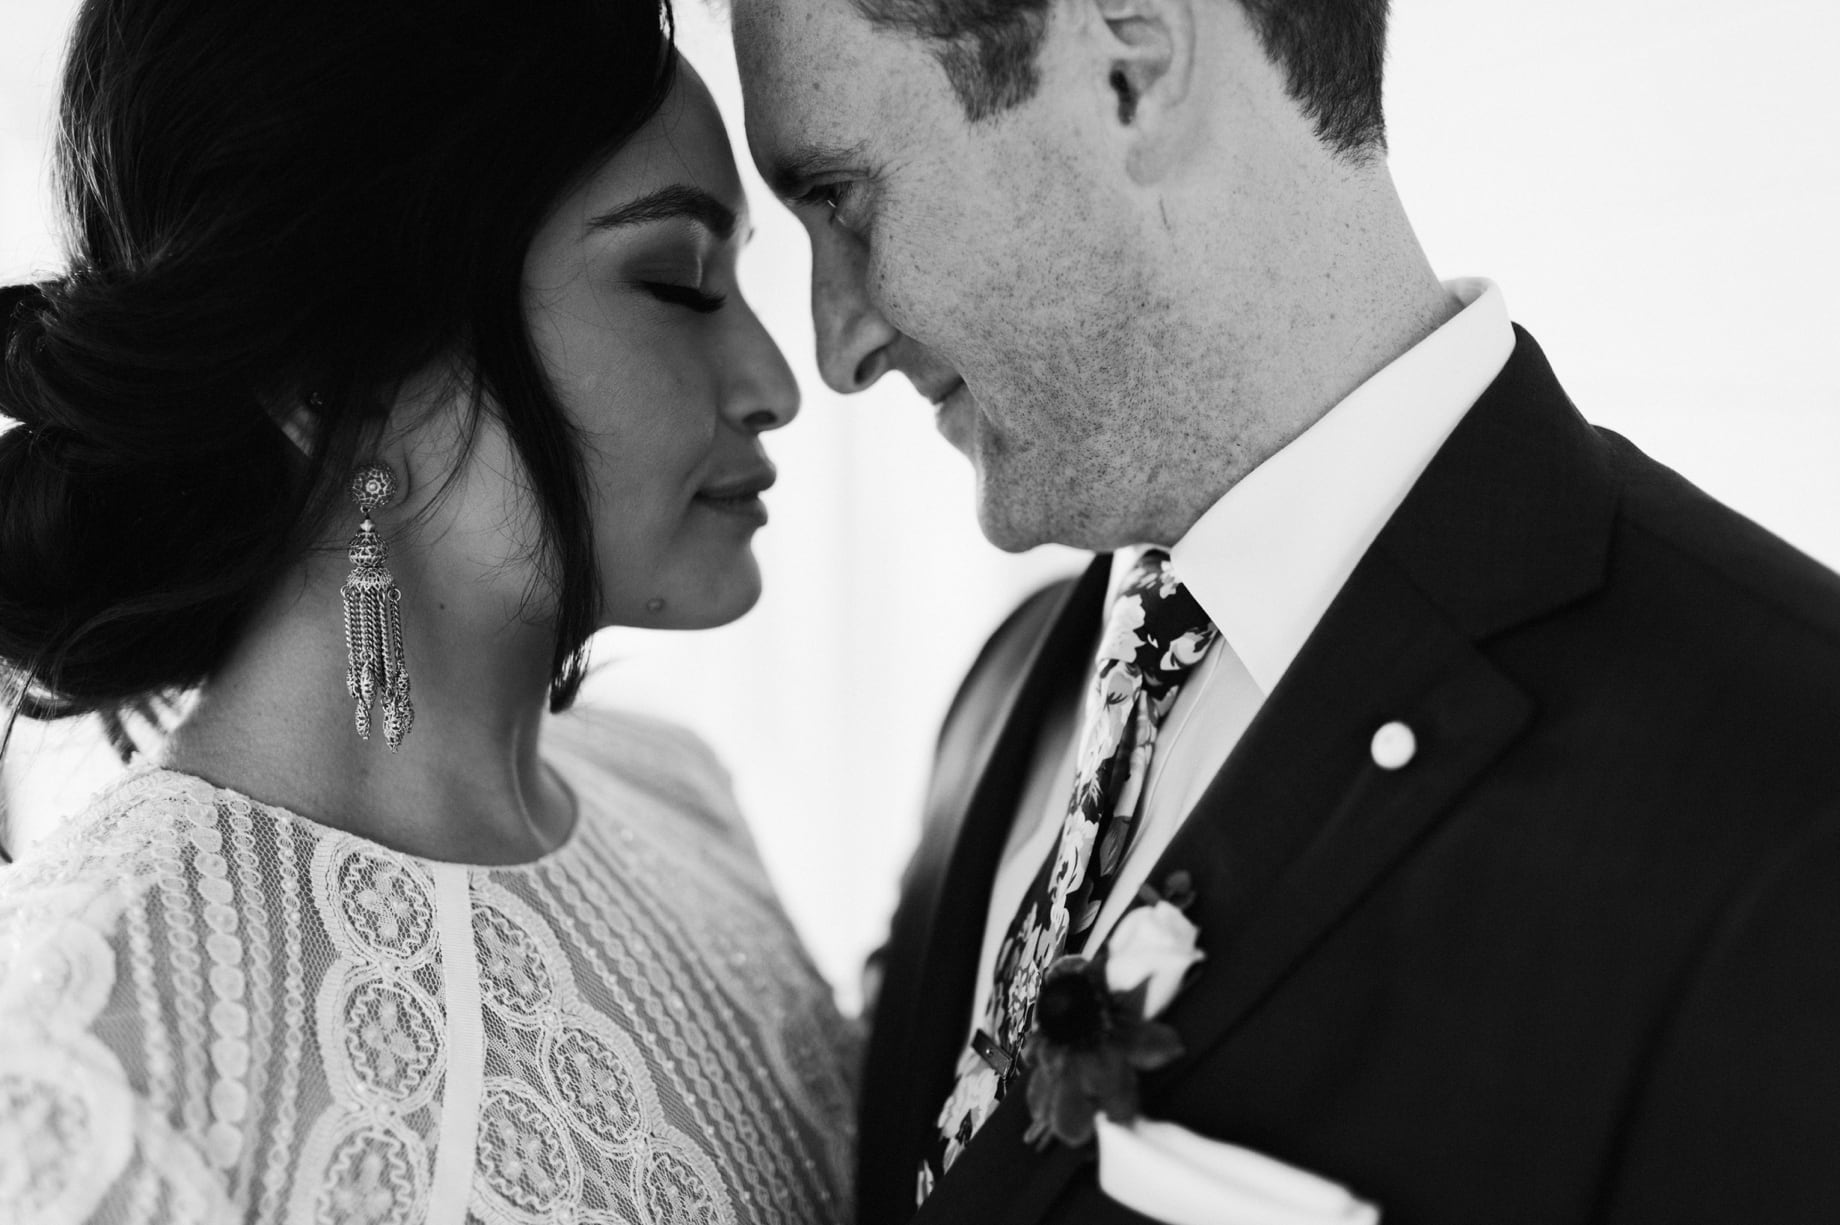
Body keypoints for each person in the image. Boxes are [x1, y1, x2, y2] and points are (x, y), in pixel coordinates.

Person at [732, 0, 1840, 1222]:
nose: (836, 347)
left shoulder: (1793, 794)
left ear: (1130, 69)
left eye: (841, 199)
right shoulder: (1008, 690)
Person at [0, 1, 857, 1221]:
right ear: (334, 384)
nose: (775, 382)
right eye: (675, 281)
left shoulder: (683, 801)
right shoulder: (85, 1069)